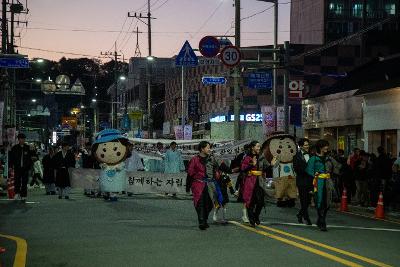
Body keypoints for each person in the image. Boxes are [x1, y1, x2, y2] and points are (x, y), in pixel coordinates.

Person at [187, 141, 229, 230]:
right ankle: (201, 221)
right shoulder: (194, 159)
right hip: (198, 184)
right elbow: (190, 174)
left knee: (210, 204)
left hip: (210, 184)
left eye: (210, 147)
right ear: (202, 149)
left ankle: (204, 218)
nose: (209, 149)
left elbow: (222, 166)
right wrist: (188, 187)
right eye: (208, 147)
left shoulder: (212, 158)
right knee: (200, 202)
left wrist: (231, 170)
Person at [306, 139, 334, 232]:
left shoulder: (329, 158)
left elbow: (335, 168)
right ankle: (322, 222)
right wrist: (311, 186)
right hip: (317, 183)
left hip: (328, 182)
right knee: (319, 202)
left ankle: (320, 219)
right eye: (325, 145)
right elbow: (309, 172)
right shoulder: (313, 159)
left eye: (327, 145)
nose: (327, 147)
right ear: (320, 147)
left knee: (327, 203)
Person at [241, 141, 264, 227]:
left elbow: (265, 168)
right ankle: (251, 218)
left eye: (259, 146)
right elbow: (243, 169)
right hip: (250, 182)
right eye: (257, 146)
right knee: (250, 201)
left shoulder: (261, 157)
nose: (259, 148)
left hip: (260, 181)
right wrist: (252, 165)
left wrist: (272, 165)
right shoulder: (247, 158)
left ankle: (256, 216)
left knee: (260, 202)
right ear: (252, 148)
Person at [293, 138, 312, 225]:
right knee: (304, 200)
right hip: (302, 181)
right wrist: (307, 170)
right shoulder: (296, 156)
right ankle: (306, 218)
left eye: (308, 145)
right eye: (305, 145)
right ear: (300, 146)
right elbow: (297, 169)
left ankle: (300, 214)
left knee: (308, 201)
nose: (307, 146)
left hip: (311, 181)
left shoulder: (311, 155)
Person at [9, 133, 33, 201]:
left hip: (25, 168)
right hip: (17, 167)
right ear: (18, 139)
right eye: (21, 139)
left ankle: (24, 195)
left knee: (24, 182)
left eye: (24, 139)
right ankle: (17, 193)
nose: (22, 140)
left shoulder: (28, 148)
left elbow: (32, 157)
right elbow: (11, 158)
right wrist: (10, 166)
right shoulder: (14, 148)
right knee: (17, 181)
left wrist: (30, 167)